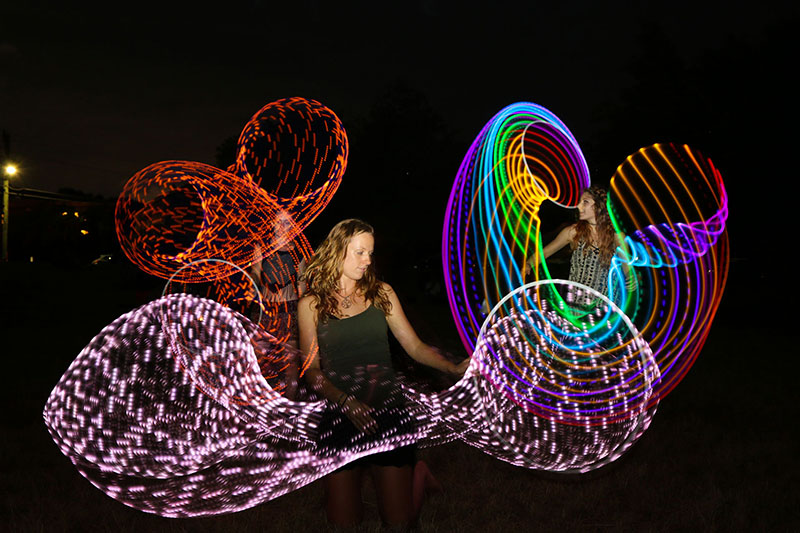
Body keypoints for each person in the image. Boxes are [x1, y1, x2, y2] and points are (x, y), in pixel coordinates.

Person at [297, 219, 468, 528]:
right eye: (360, 252)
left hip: (387, 410)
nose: (368, 261)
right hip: (340, 414)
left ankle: (417, 477)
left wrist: (452, 366)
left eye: (371, 253)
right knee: (343, 524)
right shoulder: (310, 305)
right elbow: (312, 371)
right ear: (337, 252)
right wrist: (345, 401)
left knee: (399, 522)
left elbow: (415, 347)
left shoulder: (381, 294)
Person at [525, 185, 624, 299]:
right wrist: (529, 263)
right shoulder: (573, 232)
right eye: (579, 202)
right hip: (577, 306)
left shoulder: (616, 237)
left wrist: (631, 280)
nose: (578, 206)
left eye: (585, 202)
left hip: (605, 308)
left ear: (599, 206)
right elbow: (545, 253)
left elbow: (628, 272)